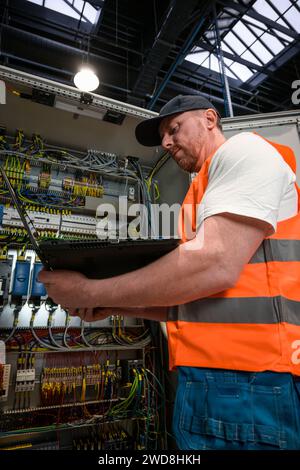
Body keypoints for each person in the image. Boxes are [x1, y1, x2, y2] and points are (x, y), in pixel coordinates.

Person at [39, 95, 300, 450]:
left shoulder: (245, 151)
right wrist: (117, 307)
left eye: (173, 129)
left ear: (210, 119)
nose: (165, 142)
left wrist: (90, 292)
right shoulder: (201, 193)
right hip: (215, 382)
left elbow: (214, 264)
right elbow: (192, 301)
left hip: (252, 383)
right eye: (164, 135)